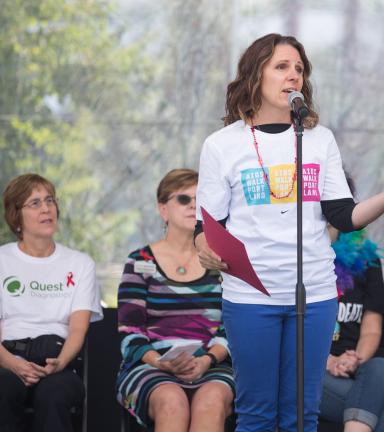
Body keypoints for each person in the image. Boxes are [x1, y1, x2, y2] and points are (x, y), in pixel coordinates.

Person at [194, 33, 384, 432]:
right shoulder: (222, 145)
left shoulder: (319, 139)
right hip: (250, 296)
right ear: (255, 76)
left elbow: (344, 216)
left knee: (301, 416)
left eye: (299, 69)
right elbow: (206, 225)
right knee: (256, 414)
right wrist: (205, 248)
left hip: (314, 294)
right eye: (281, 67)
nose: (294, 76)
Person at [116, 169, 234, 431]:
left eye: (198, 199)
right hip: (150, 365)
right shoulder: (139, 262)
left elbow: (233, 327)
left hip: (211, 364)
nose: (193, 205)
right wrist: (160, 362)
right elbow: (129, 333)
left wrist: (206, 360)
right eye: (183, 199)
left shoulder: (220, 262)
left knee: (212, 400)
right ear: (163, 209)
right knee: (172, 401)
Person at [0, 173, 103, 432]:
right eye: (34, 203)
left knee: (54, 395)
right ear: (16, 215)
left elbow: (78, 330)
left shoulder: (80, 264)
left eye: (50, 200)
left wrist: (59, 363)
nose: (46, 208)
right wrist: (13, 364)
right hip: (6, 358)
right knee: (4, 389)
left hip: (57, 360)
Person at [318, 222, 384, 432]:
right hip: (309, 370)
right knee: (382, 409)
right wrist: (329, 361)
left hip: (352, 366)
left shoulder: (366, 259)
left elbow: (371, 329)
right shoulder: (293, 260)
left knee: (381, 367)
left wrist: (353, 360)